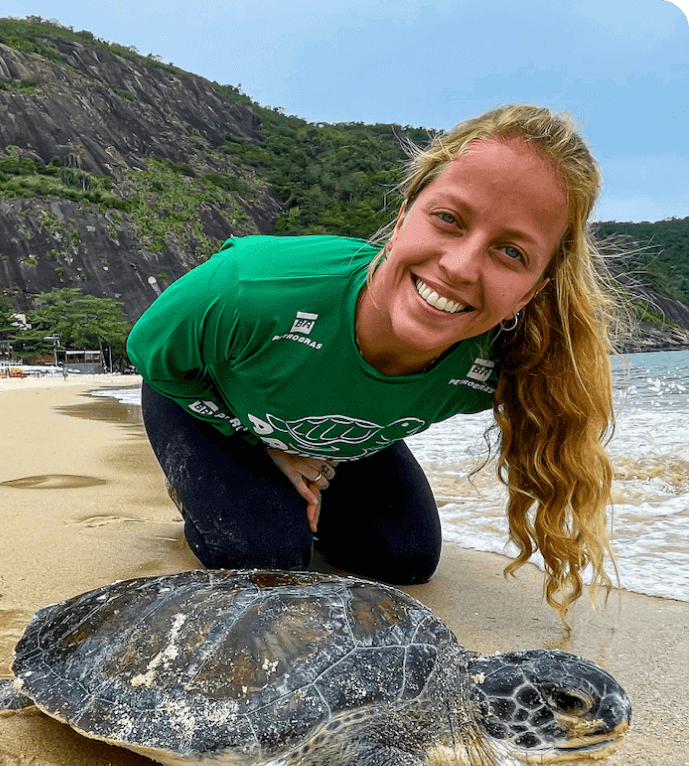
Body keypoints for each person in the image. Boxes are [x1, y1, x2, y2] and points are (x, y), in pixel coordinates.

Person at [127, 103, 618, 622]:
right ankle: (217, 492)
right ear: (405, 213)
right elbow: (151, 352)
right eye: (449, 219)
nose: (459, 267)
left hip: (337, 426)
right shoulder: (253, 287)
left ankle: (301, 478)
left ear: (530, 292)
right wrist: (263, 447)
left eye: (511, 253)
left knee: (406, 558)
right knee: (267, 561)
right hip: (209, 402)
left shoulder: (504, 365)